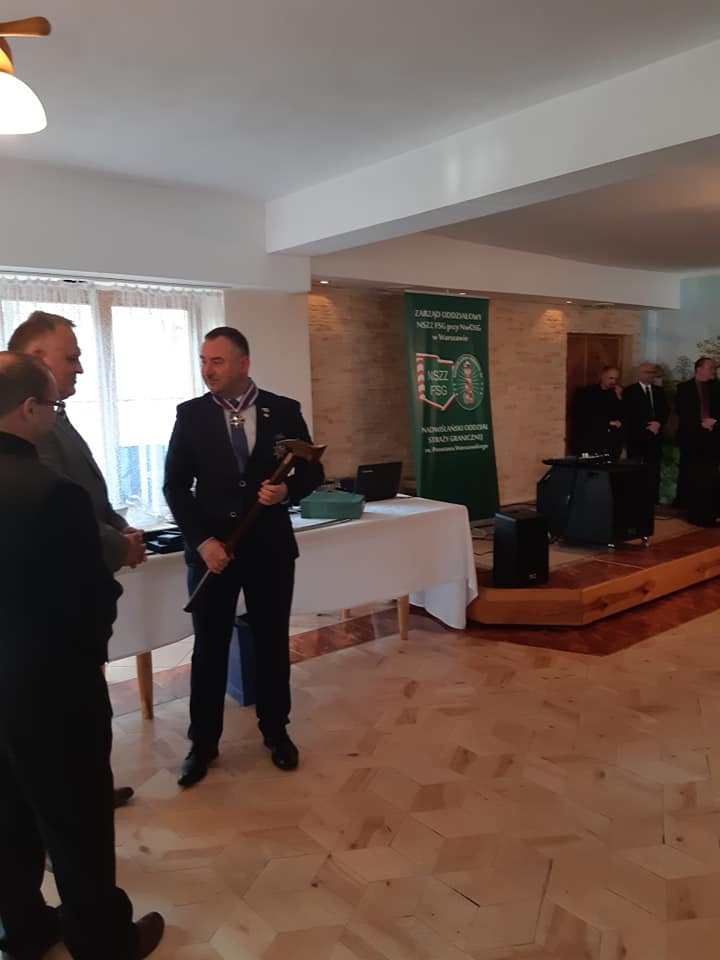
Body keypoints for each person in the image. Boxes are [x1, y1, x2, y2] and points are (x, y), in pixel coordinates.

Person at [0, 352, 163, 960]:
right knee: (77, 821)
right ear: (28, 409)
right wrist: (94, 637)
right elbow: (88, 599)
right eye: (52, 405)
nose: (55, 416)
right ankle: (101, 941)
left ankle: (24, 928)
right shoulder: (52, 492)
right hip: (51, 688)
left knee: (7, 816)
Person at [164, 326, 324, 788]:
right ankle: (203, 743)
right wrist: (202, 543)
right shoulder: (191, 415)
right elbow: (175, 486)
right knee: (209, 647)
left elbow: (313, 471)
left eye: (216, 361)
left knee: (271, 641)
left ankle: (276, 731)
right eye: (203, 360)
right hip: (213, 551)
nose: (207, 370)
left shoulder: (284, 410)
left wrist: (287, 491)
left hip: (269, 548)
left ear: (243, 364)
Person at [8, 310, 140, 809]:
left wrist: (117, 524)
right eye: (72, 357)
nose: (81, 367)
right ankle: (76, 806)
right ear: (36, 359)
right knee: (62, 731)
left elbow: (85, 494)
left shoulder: (55, 416)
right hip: (54, 625)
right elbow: (55, 508)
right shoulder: (28, 433)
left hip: (67, 617)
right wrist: (119, 546)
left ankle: (88, 789)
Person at [675, 356, 720, 515]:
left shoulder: (717, 387)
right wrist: (699, 423)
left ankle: (708, 506)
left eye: (715, 368)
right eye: (711, 368)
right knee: (689, 471)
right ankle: (687, 505)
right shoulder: (684, 388)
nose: (714, 371)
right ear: (699, 369)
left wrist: (714, 421)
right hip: (691, 436)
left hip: (712, 436)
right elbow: (682, 411)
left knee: (710, 472)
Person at [623, 362, 670, 504]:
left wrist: (658, 423)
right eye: (647, 372)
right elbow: (628, 415)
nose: (651, 375)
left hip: (655, 437)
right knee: (636, 469)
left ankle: (653, 499)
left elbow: (665, 410)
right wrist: (646, 426)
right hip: (637, 438)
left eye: (653, 372)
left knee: (654, 469)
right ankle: (636, 500)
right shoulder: (629, 391)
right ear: (639, 374)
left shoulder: (658, 391)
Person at [572, 365, 624, 461]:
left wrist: (619, 397)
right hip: (592, 439)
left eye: (616, 379)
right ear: (602, 376)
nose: (613, 382)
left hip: (612, 442)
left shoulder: (617, 394)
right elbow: (584, 416)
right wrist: (608, 423)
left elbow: (623, 414)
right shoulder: (587, 393)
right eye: (610, 378)